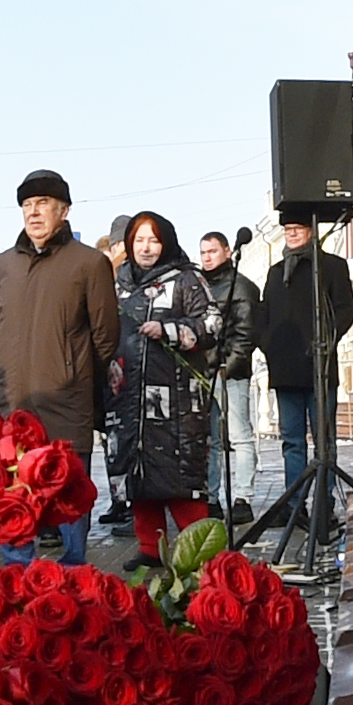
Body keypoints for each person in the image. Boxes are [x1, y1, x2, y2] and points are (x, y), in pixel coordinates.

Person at [0, 170, 120, 565]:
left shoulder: (90, 263)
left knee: (68, 504)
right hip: (13, 403)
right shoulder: (6, 263)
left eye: (43, 204)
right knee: (14, 508)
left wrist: (73, 374)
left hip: (67, 403)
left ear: (63, 210)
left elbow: (105, 336)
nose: (33, 213)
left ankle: (72, 586)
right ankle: (17, 586)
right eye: (27, 206)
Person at [106, 213, 219, 571]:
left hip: (178, 402)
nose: (145, 247)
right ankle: (149, 549)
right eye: (138, 240)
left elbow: (212, 324)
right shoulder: (118, 284)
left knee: (179, 476)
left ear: (166, 242)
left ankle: (202, 555)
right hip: (128, 397)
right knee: (138, 473)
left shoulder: (187, 279)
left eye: (152, 240)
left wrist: (170, 330)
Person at [259, 211, 353, 530]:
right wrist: (268, 345)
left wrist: (327, 338)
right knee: (292, 441)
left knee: (324, 442)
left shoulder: (330, 266)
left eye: (298, 228)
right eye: (287, 228)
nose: (291, 233)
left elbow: (346, 309)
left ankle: (323, 505)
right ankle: (295, 504)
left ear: (311, 231)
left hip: (319, 367)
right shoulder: (276, 273)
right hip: (285, 370)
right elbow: (265, 315)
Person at [199, 231, 259, 524]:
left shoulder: (242, 287)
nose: (207, 257)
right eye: (203, 253)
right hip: (203, 373)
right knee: (210, 440)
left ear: (226, 250)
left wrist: (228, 367)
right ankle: (211, 498)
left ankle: (242, 498)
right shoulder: (199, 287)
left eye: (212, 251)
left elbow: (246, 334)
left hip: (230, 373)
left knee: (240, 436)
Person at [98, 212, 134, 527]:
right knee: (111, 442)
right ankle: (118, 499)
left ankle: (129, 500)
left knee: (127, 440)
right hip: (108, 370)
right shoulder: (102, 275)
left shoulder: (135, 275)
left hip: (131, 368)